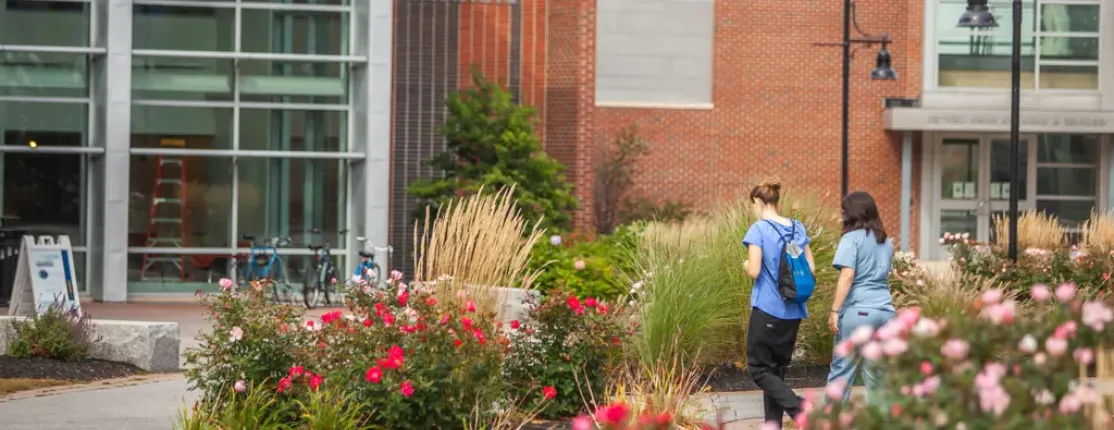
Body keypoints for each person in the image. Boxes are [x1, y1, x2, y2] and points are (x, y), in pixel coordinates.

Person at [742, 180, 816, 425]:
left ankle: (800, 409)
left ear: (759, 202)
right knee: (776, 372)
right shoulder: (798, 227)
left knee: (759, 369)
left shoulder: (759, 229)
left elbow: (754, 270)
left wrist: (745, 265)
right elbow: (811, 269)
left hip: (768, 309)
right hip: (794, 310)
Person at [826, 191, 896, 405]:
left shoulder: (850, 239)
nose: (842, 216)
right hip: (885, 312)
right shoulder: (887, 241)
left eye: (844, 211)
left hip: (858, 311)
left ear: (853, 214)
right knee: (877, 374)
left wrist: (835, 311)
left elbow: (848, 275)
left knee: (842, 371)